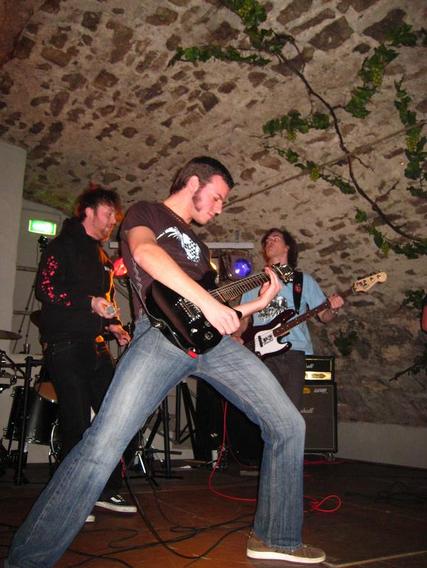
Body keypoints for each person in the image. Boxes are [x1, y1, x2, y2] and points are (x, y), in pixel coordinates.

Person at [7, 157, 326, 566]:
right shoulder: (147, 213)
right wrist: (209, 303)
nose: (219, 208)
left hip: (211, 346)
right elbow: (145, 253)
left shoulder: (202, 250)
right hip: (159, 338)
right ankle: (27, 560)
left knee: (289, 424)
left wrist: (257, 304)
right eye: (217, 197)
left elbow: (218, 316)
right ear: (193, 182)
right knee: (102, 444)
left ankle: (276, 536)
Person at [34, 187, 135, 520]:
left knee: (115, 417)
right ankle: (69, 499)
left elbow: (104, 304)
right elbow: (46, 288)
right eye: (107, 214)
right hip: (65, 346)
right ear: (88, 211)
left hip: (96, 345)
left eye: (114, 217)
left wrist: (114, 326)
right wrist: (89, 302)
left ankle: (105, 490)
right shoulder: (61, 246)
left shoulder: (102, 258)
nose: (112, 222)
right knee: (76, 422)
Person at [236, 228, 344, 410]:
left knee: (290, 411)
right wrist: (236, 336)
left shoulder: (303, 281)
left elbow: (324, 316)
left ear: (287, 247)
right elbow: (243, 319)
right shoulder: (253, 282)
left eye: (275, 238)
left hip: (294, 352)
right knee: (266, 410)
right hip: (261, 353)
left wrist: (334, 309)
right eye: (267, 240)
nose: (269, 241)